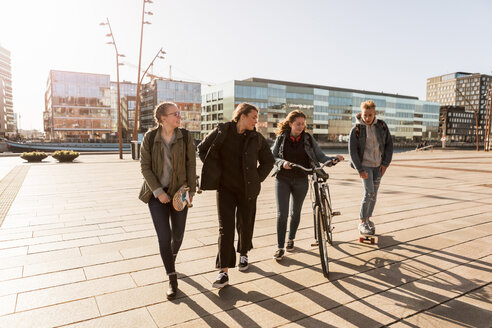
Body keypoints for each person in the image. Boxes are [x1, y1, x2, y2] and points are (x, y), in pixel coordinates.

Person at [198, 102, 274, 288]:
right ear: (241, 116)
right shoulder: (222, 131)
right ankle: (223, 272)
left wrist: (257, 178)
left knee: (245, 223)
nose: (256, 121)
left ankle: (244, 253)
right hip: (225, 189)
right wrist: (215, 169)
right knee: (226, 229)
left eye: (257, 118)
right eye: (253, 117)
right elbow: (202, 149)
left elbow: (268, 161)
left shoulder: (256, 138)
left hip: (248, 190)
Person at [139, 101, 196, 300]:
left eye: (179, 113)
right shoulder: (150, 137)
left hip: (180, 192)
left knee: (178, 236)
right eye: (175, 114)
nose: (179, 116)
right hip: (157, 196)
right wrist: (157, 191)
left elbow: (191, 165)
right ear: (163, 118)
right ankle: (172, 278)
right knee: (164, 237)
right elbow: (145, 166)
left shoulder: (186, 136)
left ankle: (170, 258)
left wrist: (191, 191)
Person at [271, 110, 344, 261]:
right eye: (298, 124)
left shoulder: (308, 138)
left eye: (303, 124)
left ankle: (291, 239)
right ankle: (280, 247)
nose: (301, 127)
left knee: (295, 212)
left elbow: (320, 156)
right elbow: (273, 157)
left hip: (301, 179)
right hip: (283, 179)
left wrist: (332, 159)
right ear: (291, 124)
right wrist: (282, 163)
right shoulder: (281, 138)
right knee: (282, 214)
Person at [348, 100, 393, 235]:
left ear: (374, 114)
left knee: (374, 195)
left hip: (378, 166)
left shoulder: (382, 126)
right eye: (365, 115)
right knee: (369, 194)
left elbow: (389, 145)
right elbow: (352, 151)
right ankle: (362, 222)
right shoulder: (356, 129)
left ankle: (368, 219)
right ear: (361, 114)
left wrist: (385, 164)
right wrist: (360, 170)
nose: (367, 118)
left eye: (370, 115)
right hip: (365, 166)